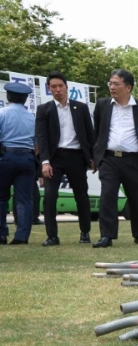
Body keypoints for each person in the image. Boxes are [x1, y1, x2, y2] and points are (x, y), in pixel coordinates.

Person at [91, 69, 138, 248]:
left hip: (134, 160)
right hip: (109, 159)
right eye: (110, 83)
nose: (112, 87)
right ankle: (107, 236)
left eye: (116, 84)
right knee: (107, 196)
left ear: (128, 87)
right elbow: (97, 133)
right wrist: (96, 156)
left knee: (136, 198)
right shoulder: (102, 105)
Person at [35, 71, 96, 245]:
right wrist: (45, 162)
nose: (58, 90)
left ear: (67, 87)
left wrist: (92, 157)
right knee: (49, 196)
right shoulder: (44, 110)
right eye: (53, 87)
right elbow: (42, 137)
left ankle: (85, 232)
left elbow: (90, 135)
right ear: (49, 89)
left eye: (60, 86)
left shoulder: (81, 108)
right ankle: (52, 236)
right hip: (54, 158)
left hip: (76, 156)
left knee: (81, 195)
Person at [0, 82, 38, 245]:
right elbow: (37, 143)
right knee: (24, 199)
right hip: (27, 159)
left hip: (6, 157)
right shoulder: (32, 117)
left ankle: (1, 234)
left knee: (1, 197)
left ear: (8, 96)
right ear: (24, 99)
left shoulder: (2, 113)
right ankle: (22, 236)